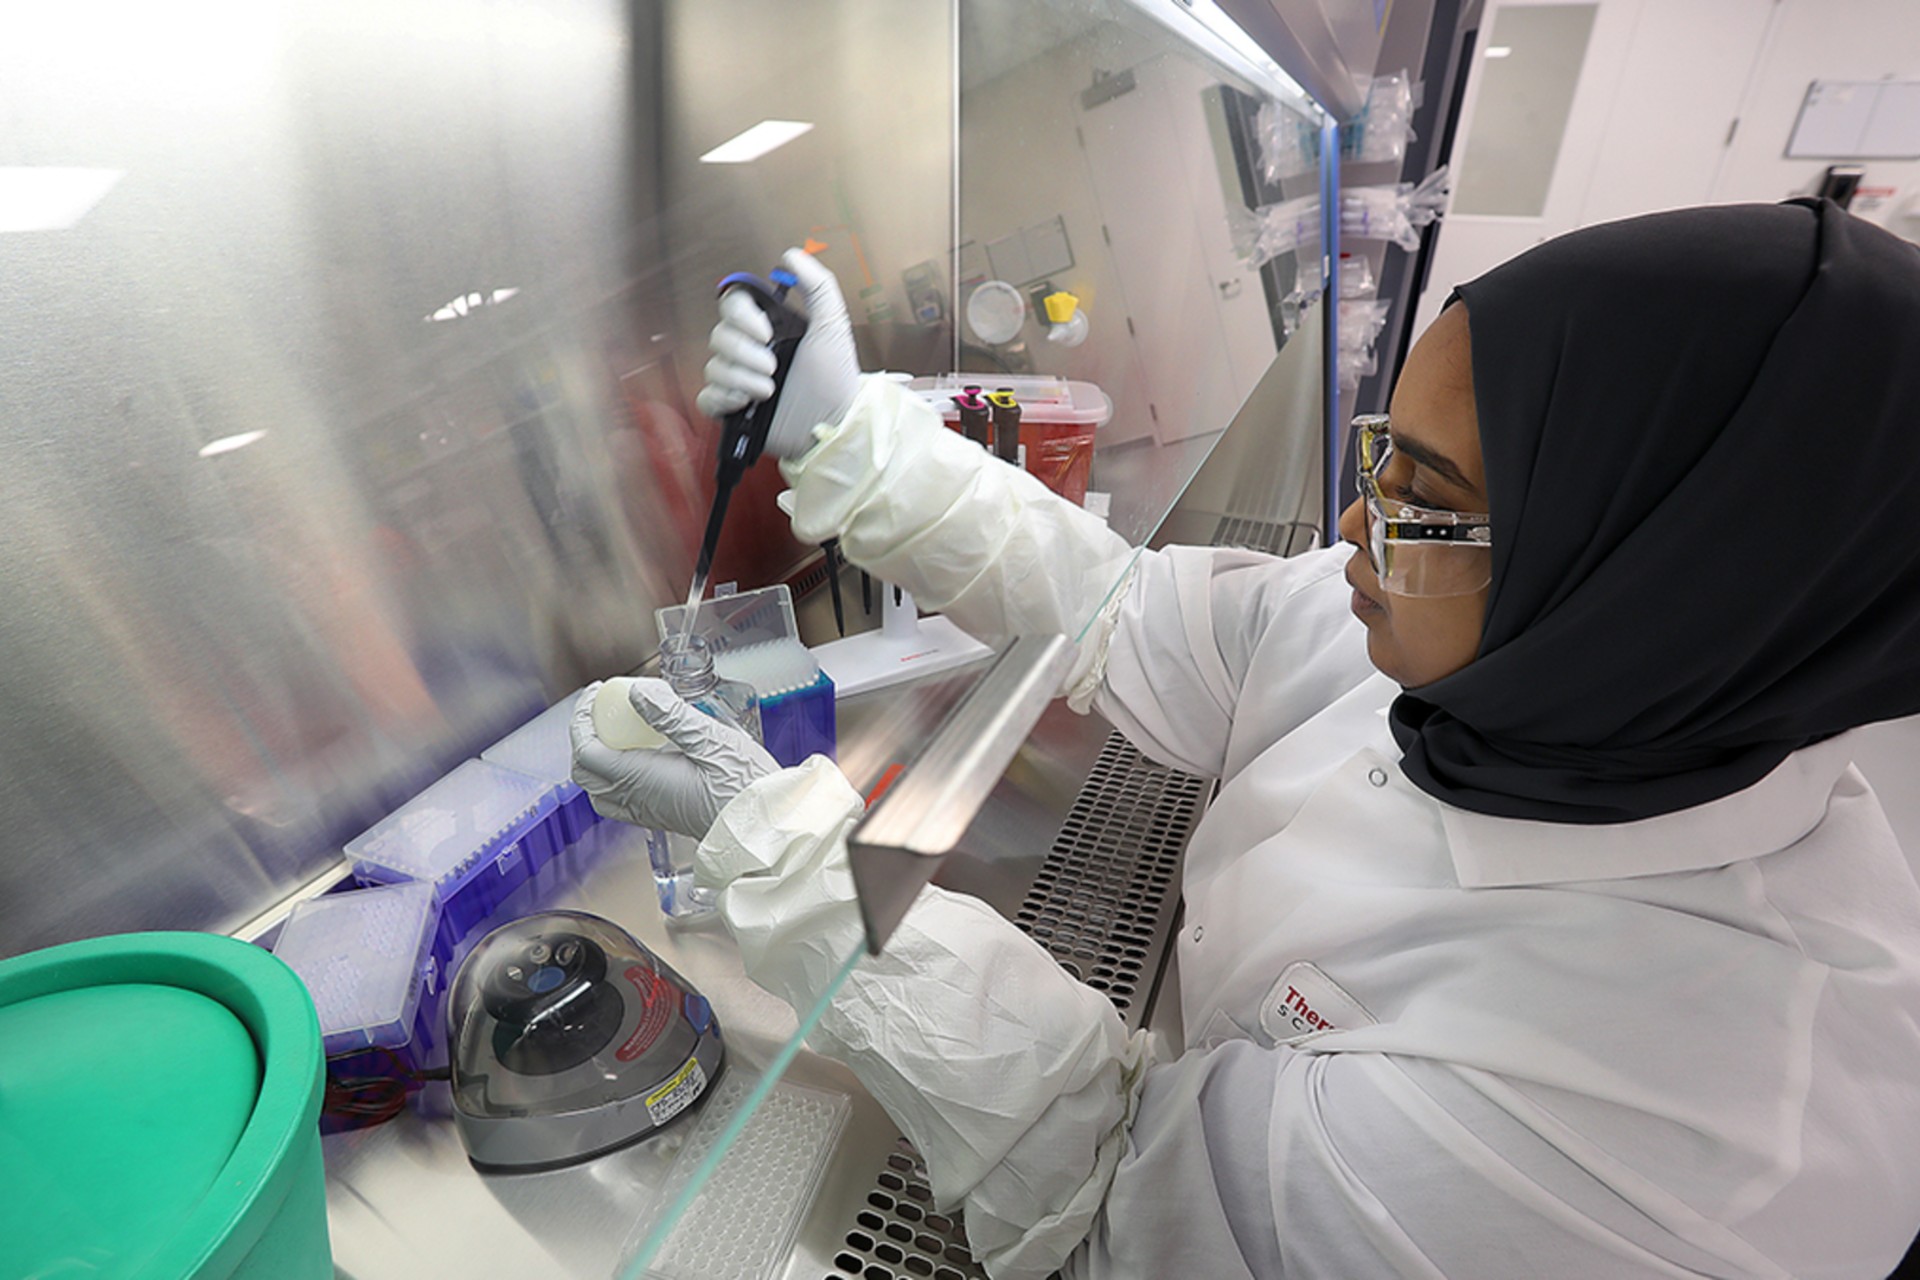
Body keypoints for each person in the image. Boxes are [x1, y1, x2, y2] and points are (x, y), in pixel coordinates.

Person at [571, 199, 1920, 1279]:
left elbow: (1115, 1204)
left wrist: (789, 846)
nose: (1354, 526)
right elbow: (1128, 610)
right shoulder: (1546, 668)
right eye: (1382, 454)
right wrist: (850, 439)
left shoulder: (1677, 1138)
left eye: (1425, 497)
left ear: (1644, 579)